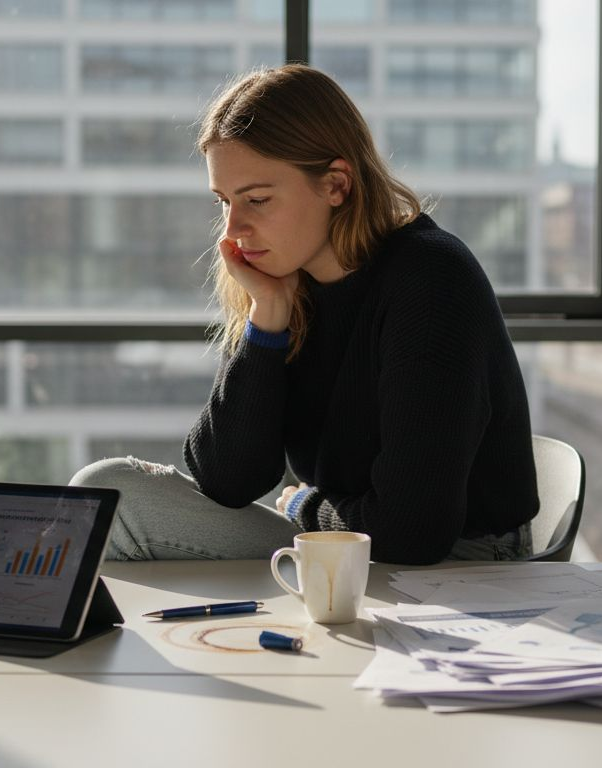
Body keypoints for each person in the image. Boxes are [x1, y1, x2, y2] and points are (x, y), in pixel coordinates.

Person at [71, 64, 538, 565]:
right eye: (224, 202)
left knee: (109, 502)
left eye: (257, 199)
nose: (234, 228)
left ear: (336, 185)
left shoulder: (431, 279)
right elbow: (228, 480)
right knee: (107, 491)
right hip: (353, 543)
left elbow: (412, 533)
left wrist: (301, 505)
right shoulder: (288, 283)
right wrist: (266, 318)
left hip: (460, 561)